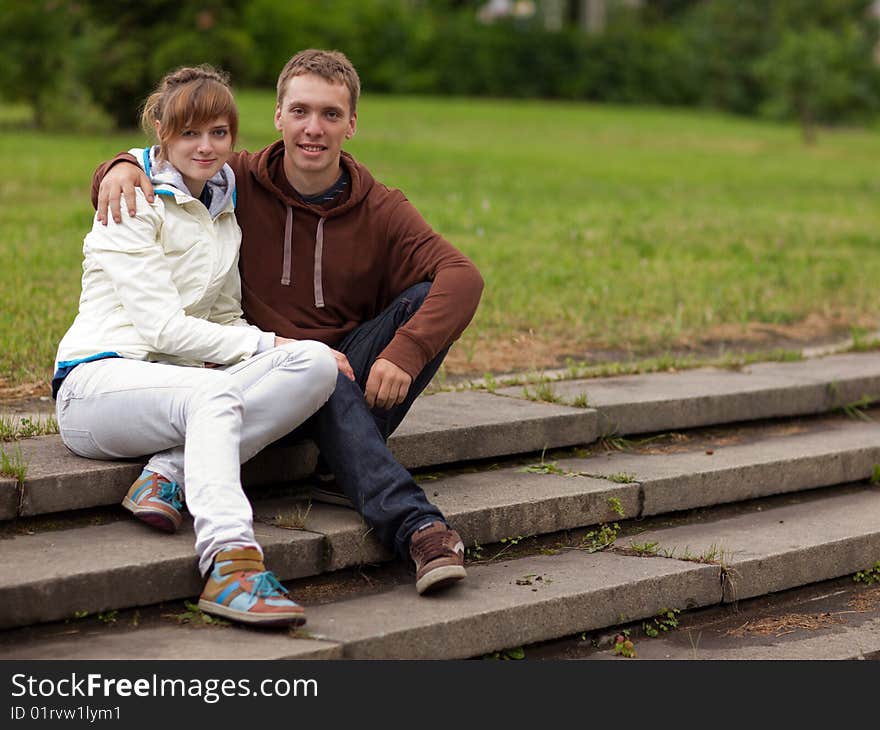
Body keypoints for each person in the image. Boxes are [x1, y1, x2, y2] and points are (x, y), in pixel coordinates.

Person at [93, 49, 484, 596]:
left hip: (348, 370)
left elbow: (463, 276)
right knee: (319, 372)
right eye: (300, 111)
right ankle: (417, 526)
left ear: (352, 124)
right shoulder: (236, 179)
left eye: (329, 114)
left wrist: (406, 351)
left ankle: (340, 465)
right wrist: (120, 165)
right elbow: (172, 156)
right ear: (278, 116)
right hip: (265, 380)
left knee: (423, 298)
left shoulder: (381, 207)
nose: (313, 129)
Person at [57, 65, 339, 627]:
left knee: (312, 364)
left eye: (218, 133)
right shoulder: (131, 198)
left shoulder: (223, 208)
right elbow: (162, 329)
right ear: (161, 132)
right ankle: (230, 564)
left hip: (180, 388)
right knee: (218, 391)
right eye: (189, 134)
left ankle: (169, 471)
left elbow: (224, 316)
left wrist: (280, 350)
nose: (206, 147)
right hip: (97, 386)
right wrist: (265, 343)